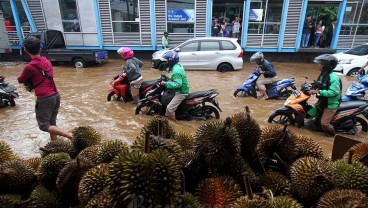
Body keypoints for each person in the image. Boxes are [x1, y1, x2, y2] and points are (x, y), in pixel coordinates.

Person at [17, 36, 73, 140]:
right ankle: (55, 144)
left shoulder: (29, 67)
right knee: (52, 122)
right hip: (55, 95)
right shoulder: (47, 61)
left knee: (43, 125)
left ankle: (69, 135)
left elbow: (20, 80)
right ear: (40, 49)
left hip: (45, 98)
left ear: (25, 50)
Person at [309, 54, 341, 137]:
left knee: (324, 123)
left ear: (327, 66)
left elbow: (334, 92)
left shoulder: (333, 78)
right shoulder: (322, 74)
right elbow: (318, 83)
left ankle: (333, 136)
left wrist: (318, 92)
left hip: (331, 103)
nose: (319, 65)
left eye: (321, 64)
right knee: (311, 111)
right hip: (322, 100)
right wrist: (311, 87)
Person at [160, 51, 190, 122]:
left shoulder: (176, 71)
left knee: (170, 108)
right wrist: (168, 78)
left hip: (181, 92)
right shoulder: (177, 66)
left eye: (167, 60)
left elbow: (178, 84)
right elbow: (174, 77)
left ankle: (175, 124)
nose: (166, 62)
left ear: (171, 60)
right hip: (180, 89)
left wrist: (166, 84)